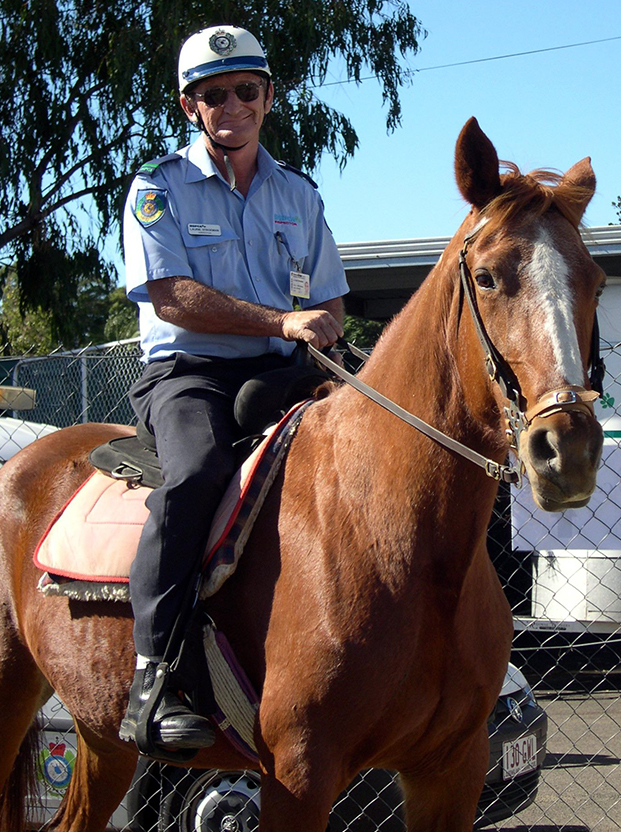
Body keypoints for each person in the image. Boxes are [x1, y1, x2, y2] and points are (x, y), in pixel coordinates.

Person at [119, 24, 349, 753]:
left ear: (269, 97)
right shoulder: (157, 189)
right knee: (196, 474)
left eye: (246, 90)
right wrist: (284, 320)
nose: (232, 105)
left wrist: (318, 335)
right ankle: (156, 677)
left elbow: (334, 304)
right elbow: (173, 298)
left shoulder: (299, 193)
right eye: (213, 94)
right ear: (190, 107)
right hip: (189, 374)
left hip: (282, 372)